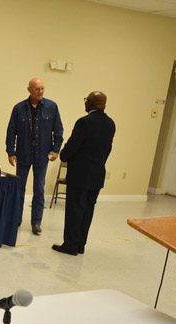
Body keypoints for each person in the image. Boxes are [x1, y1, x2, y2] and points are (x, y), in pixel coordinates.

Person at [52, 91, 115, 256]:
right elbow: (108, 149)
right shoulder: (110, 124)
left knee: (75, 209)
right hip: (97, 175)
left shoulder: (84, 122)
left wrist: (64, 155)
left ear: (91, 104)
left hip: (80, 175)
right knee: (87, 210)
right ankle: (80, 244)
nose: (85, 103)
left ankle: (70, 245)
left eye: (87, 100)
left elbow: (73, 145)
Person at [6, 78, 63, 235]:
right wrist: (11, 152)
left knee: (39, 189)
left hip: (42, 156)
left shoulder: (52, 107)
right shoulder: (18, 108)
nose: (40, 92)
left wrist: (56, 150)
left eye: (42, 89)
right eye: (37, 89)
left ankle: (36, 222)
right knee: (19, 189)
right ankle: (16, 220)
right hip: (23, 155)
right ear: (29, 89)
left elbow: (58, 130)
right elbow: (11, 132)